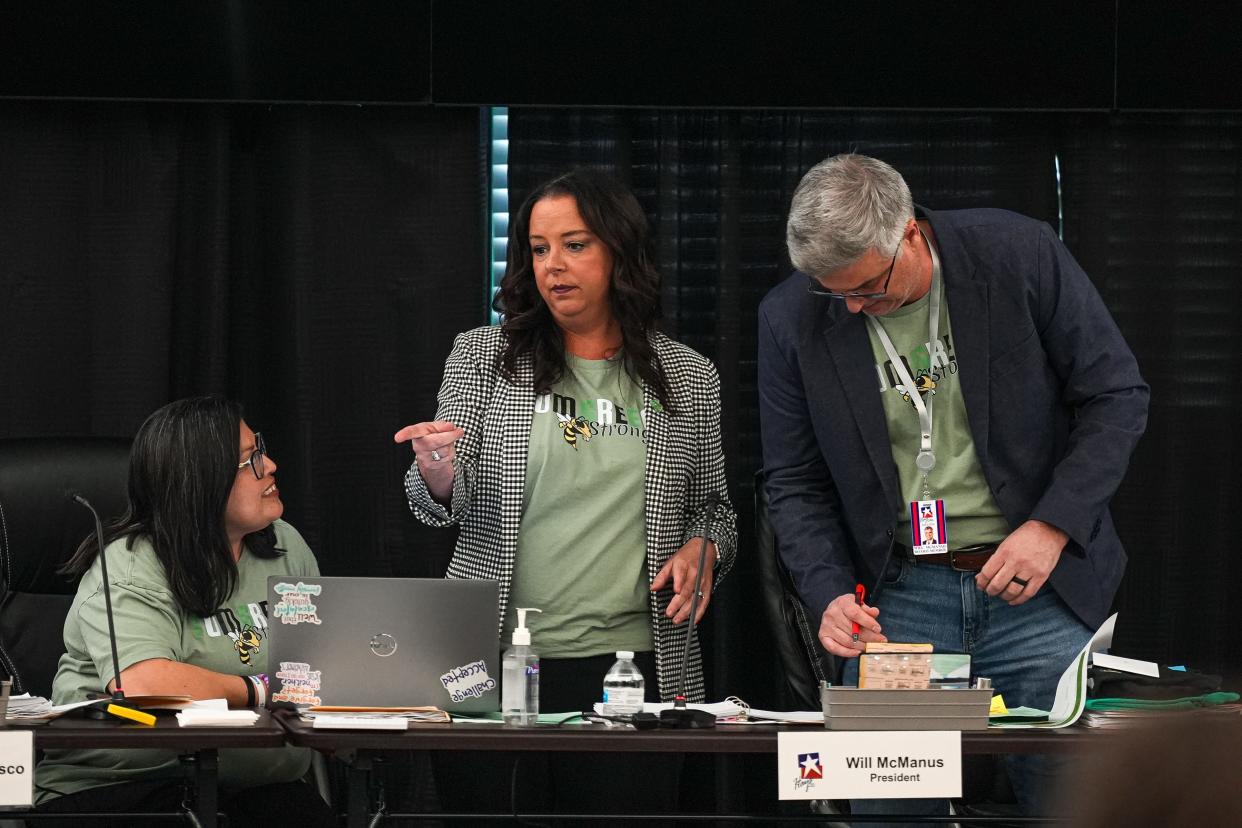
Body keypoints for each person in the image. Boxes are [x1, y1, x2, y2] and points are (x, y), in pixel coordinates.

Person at [758, 154, 1148, 818]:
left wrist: (1051, 526)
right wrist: (827, 594)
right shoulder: (790, 318)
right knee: (894, 812)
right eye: (834, 292)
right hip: (900, 605)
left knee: (1073, 809)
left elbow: (1116, 397)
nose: (852, 307)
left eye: (869, 289)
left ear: (910, 233)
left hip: (1039, 595)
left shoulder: (1016, 255)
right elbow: (793, 481)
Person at [395, 168, 736, 819]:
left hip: (631, 669)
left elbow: (715, 508)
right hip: (494, 662)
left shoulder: (687, 376)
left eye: (575, 245)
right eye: (539, 248)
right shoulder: (484, 356)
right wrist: (437, 469)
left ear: (619, 250)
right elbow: (443, 496)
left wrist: (704, 546)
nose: (554, 265)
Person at [36, 397, 334, 827]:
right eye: (250, 460)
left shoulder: (285, 547)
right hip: (122, 790)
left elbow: (324, 664)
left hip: (256, 790)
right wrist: (261, 690)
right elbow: (143, 682)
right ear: (202, 483)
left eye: (262, 450)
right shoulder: (131, 564)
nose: (270, 466)